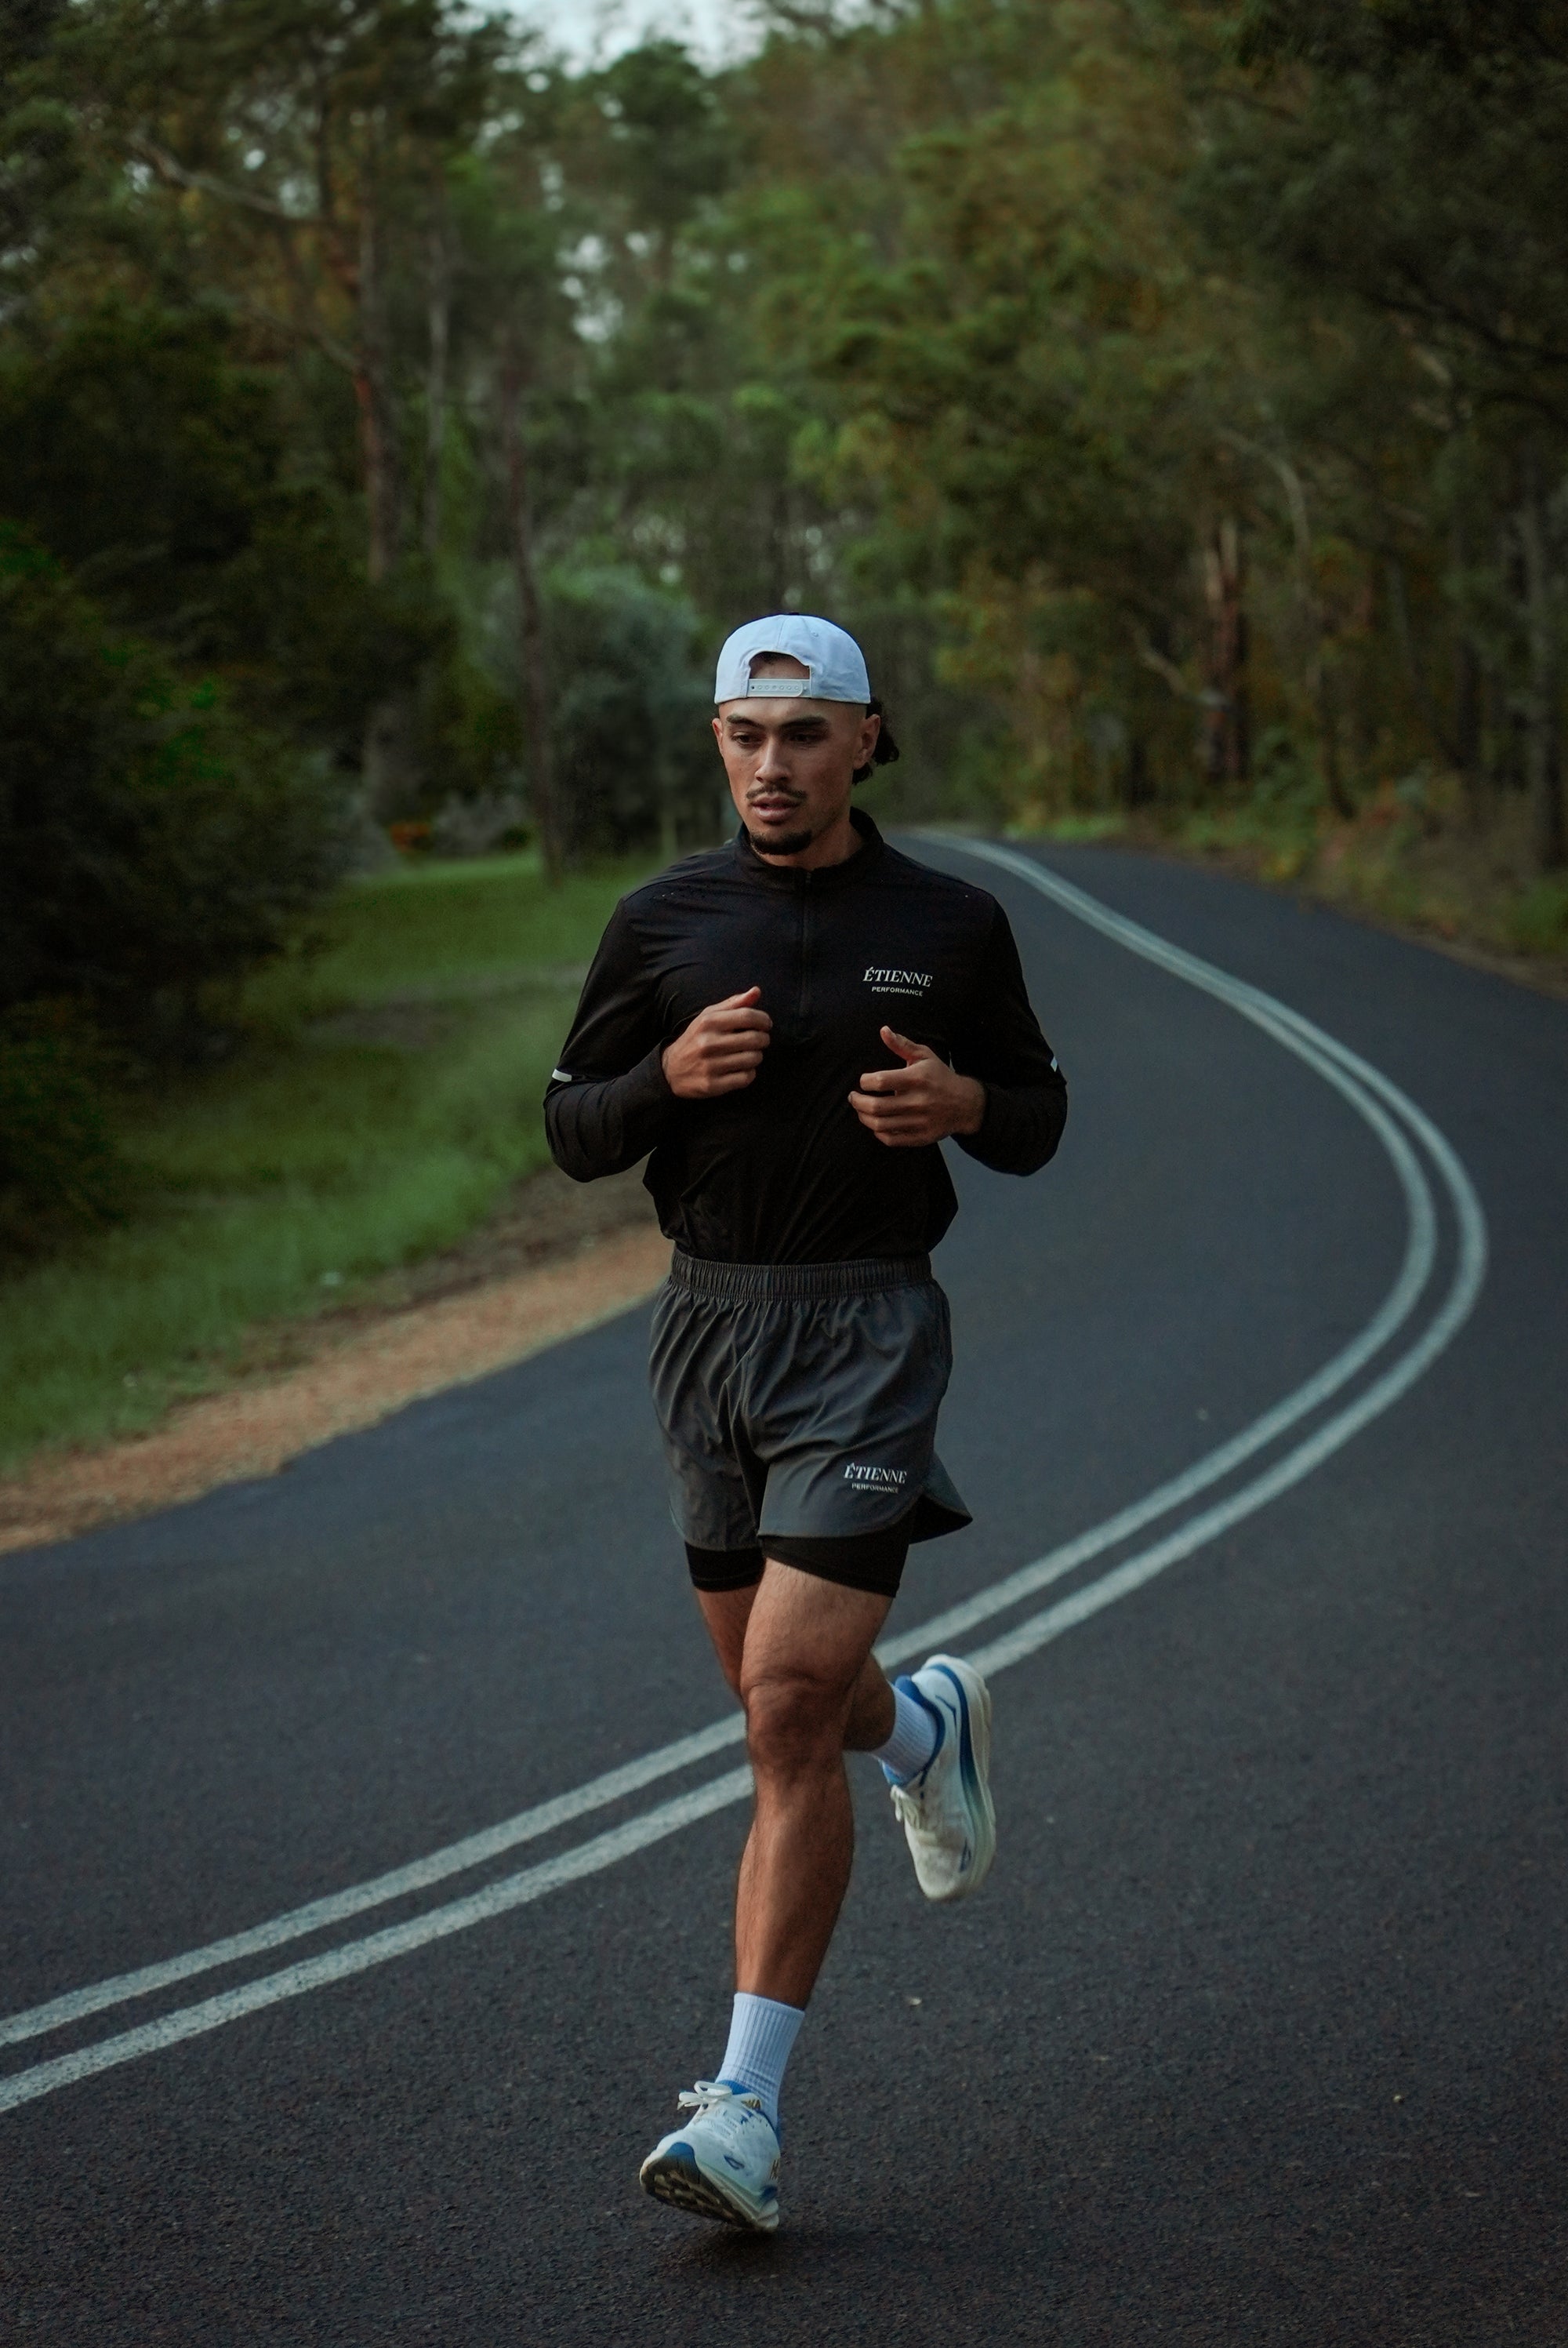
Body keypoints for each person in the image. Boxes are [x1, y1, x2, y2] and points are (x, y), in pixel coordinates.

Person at [544, 614, 1067, 2232]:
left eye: (801, 735)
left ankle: (743, 2115)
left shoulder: (950, 921)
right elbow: (570, 1127)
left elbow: (1036, 1116)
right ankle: (920, 1730)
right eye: (742, 736)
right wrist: (664, 1085)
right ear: (719, 743)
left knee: (781, 1705)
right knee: (791, 1698)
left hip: (868, 1322)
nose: (770, 764)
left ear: (863, 740)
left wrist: (965, 1107)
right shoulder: (660, 924)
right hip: (705, 1329)